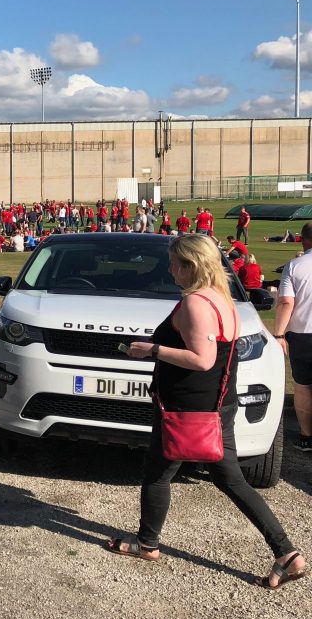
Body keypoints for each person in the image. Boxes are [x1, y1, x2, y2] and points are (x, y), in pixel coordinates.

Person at [107, 234, 304, 589]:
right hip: (216, 406)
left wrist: (152, 351)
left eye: (173, 264)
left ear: (190, 265)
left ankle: (147, 543)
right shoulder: (221, 299)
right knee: (230, 479)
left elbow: (203, 359)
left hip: (188, 409)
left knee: (158, 473)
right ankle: (286, 552)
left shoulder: (197, 303)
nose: (170, 270)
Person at [272, 221, 312, 453]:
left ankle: (307, 437)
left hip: (303, 333)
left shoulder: (295, 266)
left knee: (304, 387)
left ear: (303, 240)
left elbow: (286, 302)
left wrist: (278, 333)